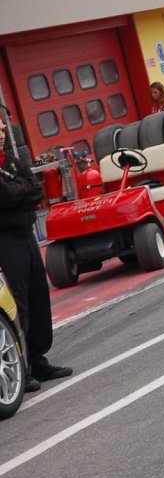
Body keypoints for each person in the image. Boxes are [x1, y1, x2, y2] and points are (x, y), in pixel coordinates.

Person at [0, 116, 72, 393]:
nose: (3, 133)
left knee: (38, 296)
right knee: (18, 303)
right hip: (5, 241)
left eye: (4, 128)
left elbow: (36, 188)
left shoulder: (11, 162)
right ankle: (23, 367)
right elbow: (3, 196)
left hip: (27, 235)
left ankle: (38, 357)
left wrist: (17, 192)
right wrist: (21, 191)